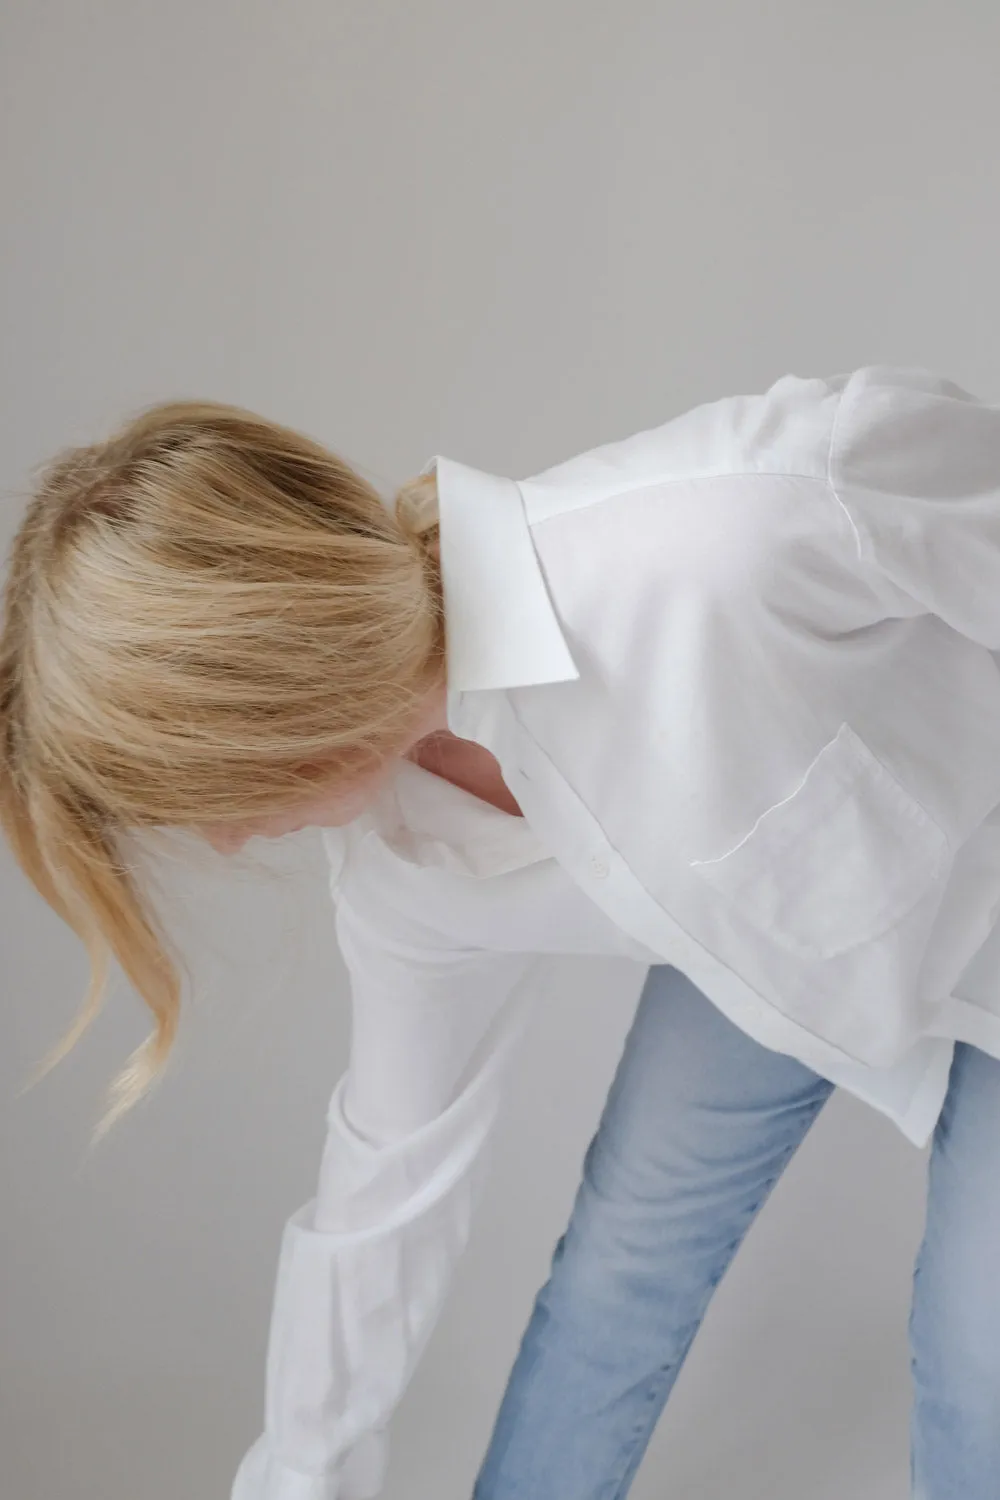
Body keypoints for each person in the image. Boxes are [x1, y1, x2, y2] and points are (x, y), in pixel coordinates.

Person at [2, 365, 1000, 1499]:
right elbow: (384, 1188)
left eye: (213, 798)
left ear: (270, 702)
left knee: (977, 1359)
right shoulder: (404, 864)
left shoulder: (739, 524)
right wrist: (299, 1479)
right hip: (794, 942)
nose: (228, 845)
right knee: (616, 1275)